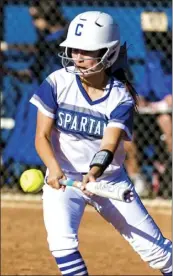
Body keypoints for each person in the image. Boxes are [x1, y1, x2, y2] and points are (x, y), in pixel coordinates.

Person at [30, 11, 172, 276]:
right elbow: (42, 136)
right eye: (74, 49)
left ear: (108, 54)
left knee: (159, 253)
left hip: (108, 180)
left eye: (88, 51)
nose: (78, 57)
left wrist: (93, 174)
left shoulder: (120, 97)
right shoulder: (57, 82)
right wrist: (53, 168)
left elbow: (108, 145)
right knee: (61, 244)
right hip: (65, 181)